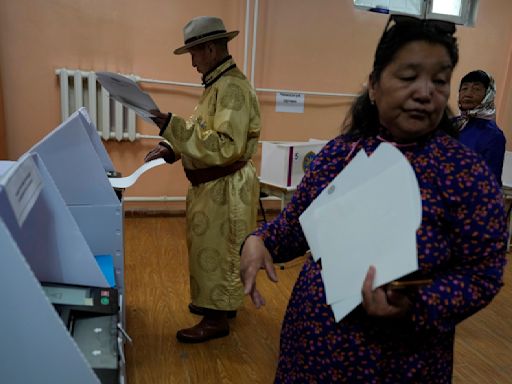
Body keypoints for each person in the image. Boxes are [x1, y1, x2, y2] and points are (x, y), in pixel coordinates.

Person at [240, 15, 507, 383]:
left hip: (402, 358)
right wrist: (260, 240)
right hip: (315, 345)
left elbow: (483, 271)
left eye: (440, 80)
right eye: (408, 76)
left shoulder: (463, 173)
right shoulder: (340, 155)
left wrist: (417, 302)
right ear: (374, 86)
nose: (425, 92)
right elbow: (295, 225)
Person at [146, 15, 261, 343]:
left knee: (220, 249)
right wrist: (172, 147)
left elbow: (225, 146)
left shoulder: (232, 89)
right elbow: (204, 128)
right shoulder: (219, 84)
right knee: (213, 248)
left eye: (195, 53)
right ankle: (219, 305)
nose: (193, 61)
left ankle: (217, 319)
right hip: (215, 186)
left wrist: (170, 125)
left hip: (226, 186)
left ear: (210, 49)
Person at [453, 70, 506, 184]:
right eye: (464, 88)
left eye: (476, 89)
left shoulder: (493, 135)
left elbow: (491, 182)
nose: (468, 93)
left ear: (488, 94)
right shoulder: (449, 125)